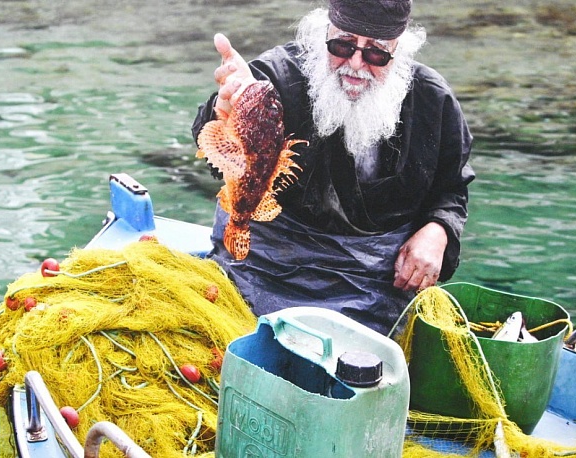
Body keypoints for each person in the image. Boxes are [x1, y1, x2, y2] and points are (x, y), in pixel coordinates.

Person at [192, 0, 475, 336]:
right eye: (342, 45)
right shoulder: (275, 77)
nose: (355, 64)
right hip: (267, 263)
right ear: (323, 33)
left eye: (376, 54)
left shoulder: (433, 100)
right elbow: (221, 147)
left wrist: (437, 230)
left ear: (399, 52)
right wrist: (225, 107)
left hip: (374, 280)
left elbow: (451, 188)